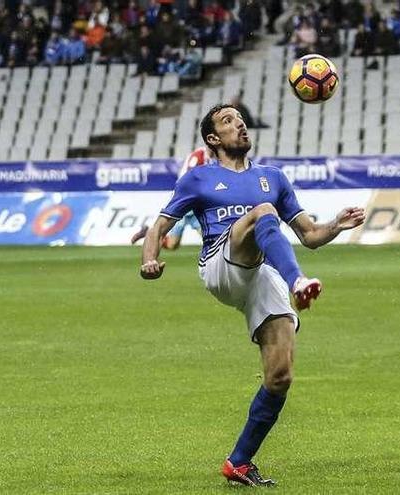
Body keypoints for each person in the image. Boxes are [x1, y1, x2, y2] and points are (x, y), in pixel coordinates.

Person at [139, 104, 365, 485]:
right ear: (213, 139)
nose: (239, 123)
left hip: (259, 273)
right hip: (219, 264)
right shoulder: (198, 179)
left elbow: (309, 236)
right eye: (227, 121)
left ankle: (239, 462)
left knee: (280, 376)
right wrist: (149, 259)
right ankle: (297, 282)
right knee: (262, 212)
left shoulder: (273, 177)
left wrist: (336, 225)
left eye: (240, 118)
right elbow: (160, 224)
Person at [131, 147, 214, 248]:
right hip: (185, 202)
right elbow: (191, 178)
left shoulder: (213, 157)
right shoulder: (198, 155)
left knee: (211, 239)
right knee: (172, 244)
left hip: (197, 205)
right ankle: (149, 233)